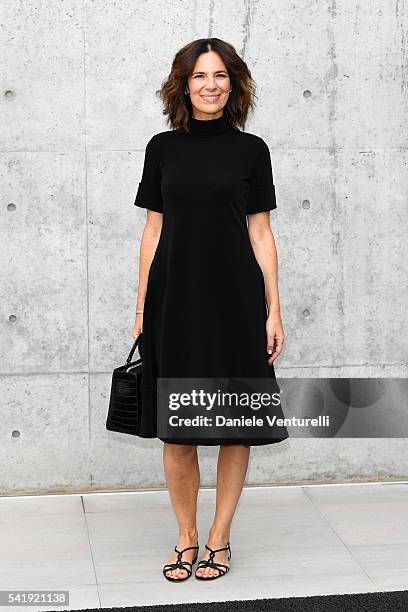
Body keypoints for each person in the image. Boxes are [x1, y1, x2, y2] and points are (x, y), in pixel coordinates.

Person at [131, 38, 289, 582]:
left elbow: (261, 233)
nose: (211, 85)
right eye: (199, 76)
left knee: (234, 426)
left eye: (220, 75)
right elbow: (153, 231)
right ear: (183, 84)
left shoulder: (252, 151)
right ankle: (186, 536)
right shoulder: (161, 148)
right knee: (178, 430)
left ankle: (220, 537)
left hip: (237, 304)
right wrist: (140, 308)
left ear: (234, 83)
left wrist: (273, 309)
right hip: (174, 302)